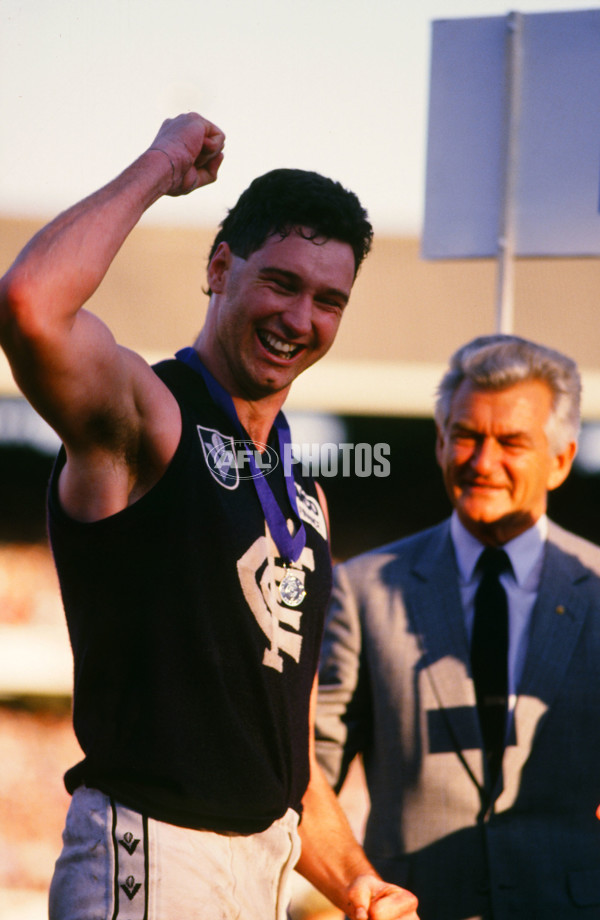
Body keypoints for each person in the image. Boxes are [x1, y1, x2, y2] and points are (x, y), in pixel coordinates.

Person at [0, 113, 419, 920]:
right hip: (153, 851)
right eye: (282, 283)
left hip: (262, 867)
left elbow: (284, 750)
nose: (302, 320)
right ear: (220, 266)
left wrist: (355, 880)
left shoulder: (307, 497)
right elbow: (30, 304)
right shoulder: (150, 419)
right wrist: (161, 165)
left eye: (329, 300)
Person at [316, 333, 600, 920]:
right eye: (467, 436)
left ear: (562, 459)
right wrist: (356, 888)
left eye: (511, 442)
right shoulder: (363, 590)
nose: (482, 461)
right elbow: (307, 773)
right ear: (441, 442)